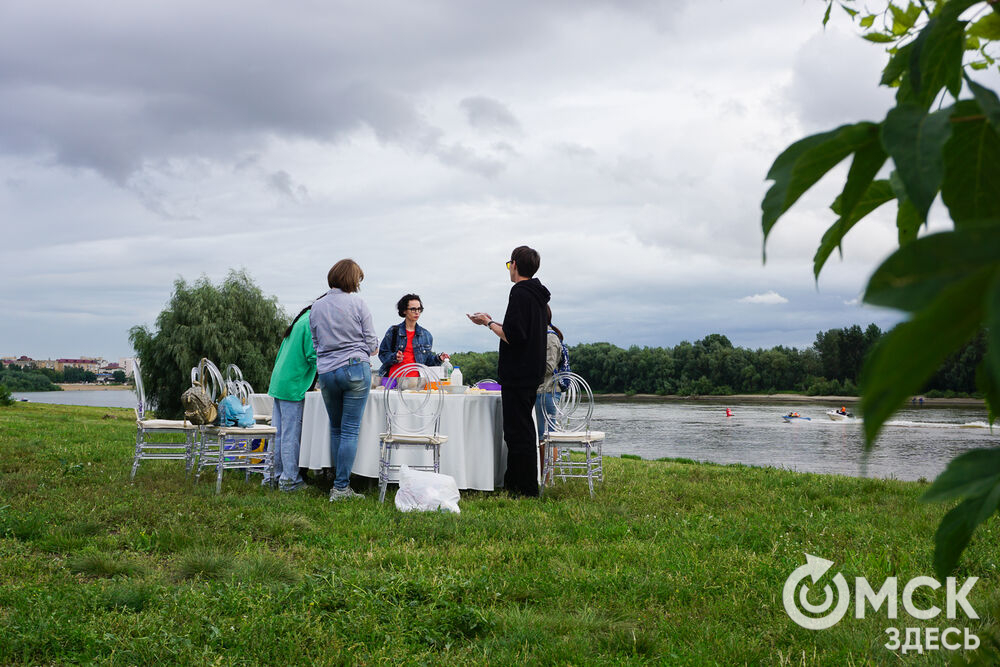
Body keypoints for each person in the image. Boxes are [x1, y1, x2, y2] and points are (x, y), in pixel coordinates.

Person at [468, 245, 550, 497]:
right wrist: (495, 322)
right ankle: (515, 482)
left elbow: (513, 336)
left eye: (509, 265)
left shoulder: (520, 292)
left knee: (517, 432)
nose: (509, 269)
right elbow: (522, 331)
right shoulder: (538, 296)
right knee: (522, 428)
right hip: (532, 371)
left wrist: (488, 323)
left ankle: (524, 489)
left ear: (514, 265)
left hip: (518, 373)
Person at [310, 259, 379, 501]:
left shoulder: (316, 306)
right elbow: (372, 342)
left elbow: (316, 342)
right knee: (349, 430)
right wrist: (369, 348)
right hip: (354, 368)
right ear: (352, 279)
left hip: (327, 371)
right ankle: (341, 488)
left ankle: (335, 482)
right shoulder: (358, 303)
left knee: (336, 428)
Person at [266, 302, 318, 492]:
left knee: (278, 434)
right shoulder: (312, 323)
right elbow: (313, 356)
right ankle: (290, 481)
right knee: (290, 435)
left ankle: (273, 476)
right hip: (294, 384)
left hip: (280, 382)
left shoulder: (301, 321)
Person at [377, 294, 449, 380]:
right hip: (393, 380)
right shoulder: (393, 331)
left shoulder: (426, 335)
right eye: (413, 309)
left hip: (418, 382)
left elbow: (427, 362)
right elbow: (382, 354)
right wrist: (394, 357)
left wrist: (438, 358)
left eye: (419, 309)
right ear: (404, 311)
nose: (417, 312)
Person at [535, 305, 564, 442]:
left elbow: (548, 367)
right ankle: (544, 463)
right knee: (542, 436)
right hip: (540, 391)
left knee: (547, 437)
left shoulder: (550, 337)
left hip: (547, 391)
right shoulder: (539, 335)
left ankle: (547, 464)